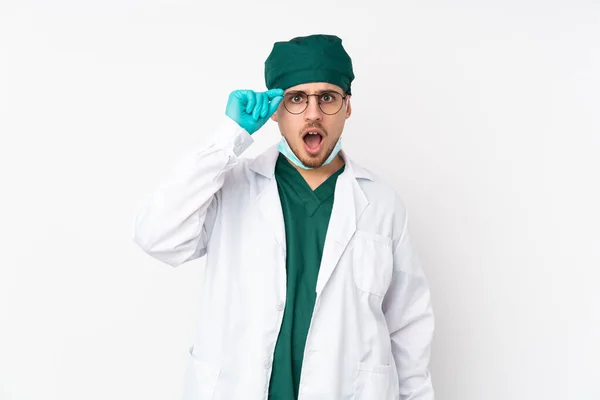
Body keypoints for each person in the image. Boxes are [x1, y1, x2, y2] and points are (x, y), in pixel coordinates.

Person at [132, 34, 435, 400]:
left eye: (327, 97)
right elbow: (156, 235)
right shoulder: (231, 188)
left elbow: (408, 328)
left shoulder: (382, 204)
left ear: (347, 106)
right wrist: (230, 137)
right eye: (296, 99)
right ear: (275, 109)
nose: (312, 113)